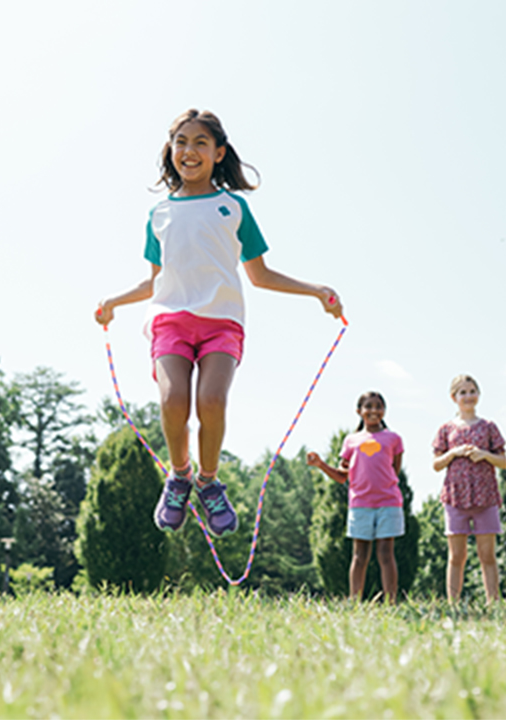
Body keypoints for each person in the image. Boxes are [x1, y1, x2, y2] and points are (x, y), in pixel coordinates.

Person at [96, 108, 342, 538]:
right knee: (174, 402)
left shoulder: (233, 207)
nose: (189, 151)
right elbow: (155, 281)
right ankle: (180, 476)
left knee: (212, 400)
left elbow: (261, 275)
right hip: (170, 319)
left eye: (200, 143)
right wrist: (114, 302)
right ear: (170, 150)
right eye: (181, 142)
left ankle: (208, 482)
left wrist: (316, 290)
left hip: (222, 324)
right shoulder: (159, 214)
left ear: (218, 152)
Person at [307, 391, 405, 603]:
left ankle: (391, 603)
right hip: (360, 504)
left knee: (386, 554)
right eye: (368, 406)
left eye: (378, 406)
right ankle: (354, 603)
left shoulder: (393, 439)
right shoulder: (351, 441)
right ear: (359, 411)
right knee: (359, 556)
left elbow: (394, 470)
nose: (373, 410)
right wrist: (321, 464)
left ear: (384, 411)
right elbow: (343, 476)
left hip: (388, 503)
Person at [432, 374, 506, 603]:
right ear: (454, 397)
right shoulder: (446, 429)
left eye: (472, 391)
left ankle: (493, 603)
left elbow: (503, 461)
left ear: (478, 395)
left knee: (487, 555)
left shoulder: (488, 427)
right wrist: (453, 453)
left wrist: (484, 454)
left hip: (485, 497)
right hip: (456, 498)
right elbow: (436, 464)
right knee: (457, 556)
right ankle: (453, 604)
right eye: (463, 392)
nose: (468, 396)